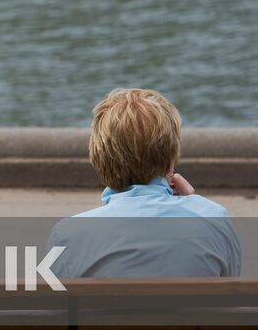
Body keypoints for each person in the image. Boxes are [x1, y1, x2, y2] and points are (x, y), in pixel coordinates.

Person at [47, 88, 241, 279]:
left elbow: (56, 305)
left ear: (98, 158)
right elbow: (229, 289)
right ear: (171, 156)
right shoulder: (214, 218)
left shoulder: (68, 235)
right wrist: (194, 208)